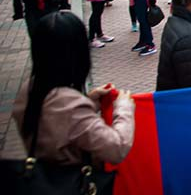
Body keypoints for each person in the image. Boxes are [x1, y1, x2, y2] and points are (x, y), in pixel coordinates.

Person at [12, 11, 135, 166]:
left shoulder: (29, 90)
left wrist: (88, 100)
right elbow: (117, 149)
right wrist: (124, 108)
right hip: (74, 182)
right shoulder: (70, 106)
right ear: (78, 53)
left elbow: (57, 120)